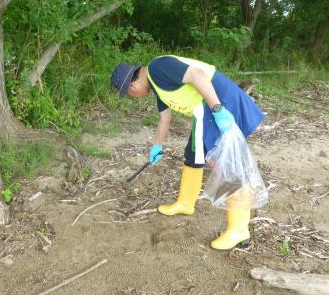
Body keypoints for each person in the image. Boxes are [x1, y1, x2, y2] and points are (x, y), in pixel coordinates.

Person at [110, 55, 265, 250]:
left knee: (225, 163)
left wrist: (218, 109)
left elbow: (197, 75)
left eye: (130, 94)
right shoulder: (156, 84)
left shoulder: (158, 68)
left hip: (219, 102)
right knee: (193, 154)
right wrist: (157, 146)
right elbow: (164, 118)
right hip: (204, 112)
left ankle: (239, 230)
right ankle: (185, 203)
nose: (134, 97)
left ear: (132, 86)